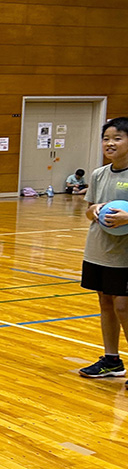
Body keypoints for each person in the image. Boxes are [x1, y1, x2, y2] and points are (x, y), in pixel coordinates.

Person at [78, 117, 128, 381]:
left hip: (124, 255)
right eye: (106, 138)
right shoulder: (99, 174)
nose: (110, 143)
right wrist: (94, 210)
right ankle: (111, 360)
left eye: (117, 138)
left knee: (124, 307)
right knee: (105, 302)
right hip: (98, 250)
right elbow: (88, 210)